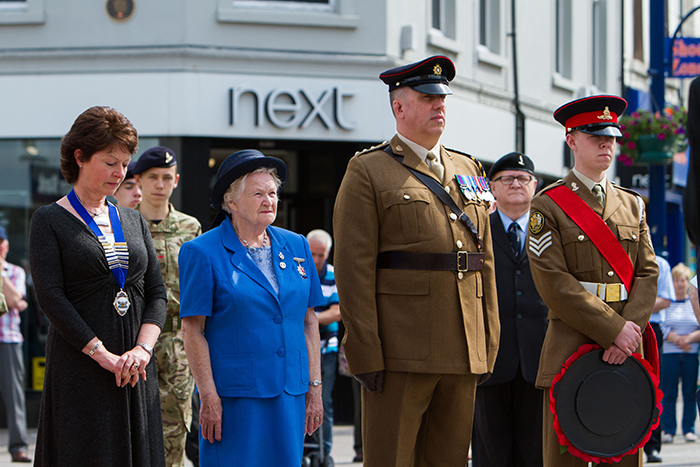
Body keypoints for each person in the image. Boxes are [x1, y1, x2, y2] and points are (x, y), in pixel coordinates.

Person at [333, 55, 499, 467]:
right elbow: (354, 270)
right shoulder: (369, 170)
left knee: (450, 460)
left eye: (443, 98)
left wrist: (488, 340)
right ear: (399, 107)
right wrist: (366, 351)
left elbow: (484, 261)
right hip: (401, 350)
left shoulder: (468, 167)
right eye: (427, 97)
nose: (439, 105)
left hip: (462, 347)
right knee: (391, 459)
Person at [28, 106, 167, 467]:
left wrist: (142, 350)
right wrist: (102, 355)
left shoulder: (133, 219)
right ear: (80, 157)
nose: (120, 173)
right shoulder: (49, 220)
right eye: (110, 162)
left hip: (135, 370)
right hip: (83, 369)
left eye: (124, 164)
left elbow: (156, 292)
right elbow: (50, 297)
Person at [527, 95, 658, 467]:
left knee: (623, 453)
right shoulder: (548, 204)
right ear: (571, 140)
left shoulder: (633, 204)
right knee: (565, 456)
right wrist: (613, 329)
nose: (606, 144)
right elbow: (553, 281)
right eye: (594, 135)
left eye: (611, 136)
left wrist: (629, 330)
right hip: (571, 343)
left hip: (627, 349)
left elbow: (648, 271)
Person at [179, 150, 325, 467]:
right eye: (257, 193)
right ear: (231, 202)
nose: (268, 200)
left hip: (290, 394)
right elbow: (192, 330)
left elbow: (309, 322)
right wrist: (208, 397)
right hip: (234, 400)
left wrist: (314, 389)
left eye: (272, 193)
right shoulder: (201, 252)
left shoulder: (297, 245)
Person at [471, 152, 547, 467]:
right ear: (492, 187)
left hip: (540, 357)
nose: (515, 184)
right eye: (506, 179)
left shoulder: (551, 230)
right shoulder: (476, 230)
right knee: (490, 452)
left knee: (536, 453)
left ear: (535, 185)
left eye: (523, 178)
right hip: (490, 357)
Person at [133, 146, 202, 467]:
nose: (159, 185)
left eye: (166, 178)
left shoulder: (191, 229)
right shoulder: (124, 225)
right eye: (152, 178)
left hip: (178, 341)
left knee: (176, 428)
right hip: (135, 340)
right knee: (135, 427)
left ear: (176, 180)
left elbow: (202, 288)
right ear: (139, 181)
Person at [306, 229, 341, 459]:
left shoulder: (332, 274)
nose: (317, 260)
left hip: (326, 349)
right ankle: (302, 452)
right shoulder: (300, 271)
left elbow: (338, 312)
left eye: (322, 255)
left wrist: (309, 320)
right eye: (313, 254)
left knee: (323, 403)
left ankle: (324, 454)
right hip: (302, 349)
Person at [0, 226, 31, 463]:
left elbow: (14, 300)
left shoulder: (15, 271)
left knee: (14, 396)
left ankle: (19, 446)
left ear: (6, 245)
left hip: (8, 339)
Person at [660, 263, 699, 444]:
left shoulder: (694, 302)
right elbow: (661, 325)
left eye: (683, 280)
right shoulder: (666, 303)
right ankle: (668, 429)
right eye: (676, 281)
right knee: (669, 393)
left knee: (689, 392)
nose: (680, 284)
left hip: (690, 353)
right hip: (670, 353)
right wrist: (676, 339)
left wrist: (689, 338)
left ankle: (688, 429)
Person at [644, 254, 674, 463]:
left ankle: (652, 447)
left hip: (651, 327)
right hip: (620, 324)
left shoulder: (661, 264)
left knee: (653, 387)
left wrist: (636, 305)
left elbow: (665, 300)